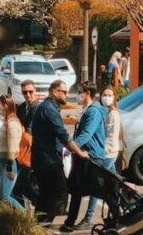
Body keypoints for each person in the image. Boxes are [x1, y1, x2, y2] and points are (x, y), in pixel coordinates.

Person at [31, 78, 88, 224]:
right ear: (55, 92)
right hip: (48, 160)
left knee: (46, 196)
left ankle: (38, 227)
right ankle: (43, 225)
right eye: (64, 92)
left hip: (42, 159)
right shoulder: (49, 109)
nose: (67, 95)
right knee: (60, 192)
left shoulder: (47, 107)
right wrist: (80, 153)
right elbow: (63, 135)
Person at [60, 82, 107, 233]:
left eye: (80, 92)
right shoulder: (87, 110)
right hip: (83, 155)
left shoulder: (94, 111)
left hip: (91, 156)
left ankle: (81, 220)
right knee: (76, 188)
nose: (78, 95)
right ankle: (70, 221)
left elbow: (87, 133)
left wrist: (71, 146)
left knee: (95, 189)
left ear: (87, 93)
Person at [80, 86, 123, 227]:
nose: (106, 97)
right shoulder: (104, 111)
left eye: (109, 95)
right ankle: (118, 214)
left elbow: (111, 136)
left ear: (114, 97)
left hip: (108, 154)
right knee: (113, 185)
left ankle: (88, 217)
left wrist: (102, 152)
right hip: (109, 153)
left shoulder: (113, 114)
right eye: (104, 94)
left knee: (97, 184)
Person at [0, 94, 25, 211]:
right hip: (4, 162)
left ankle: (26, 217)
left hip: (9, 163)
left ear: (5, 106)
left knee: (5, 197)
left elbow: (12, 147)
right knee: (4, 195)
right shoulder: (7, 122)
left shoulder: (12, 124)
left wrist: (9, 167)